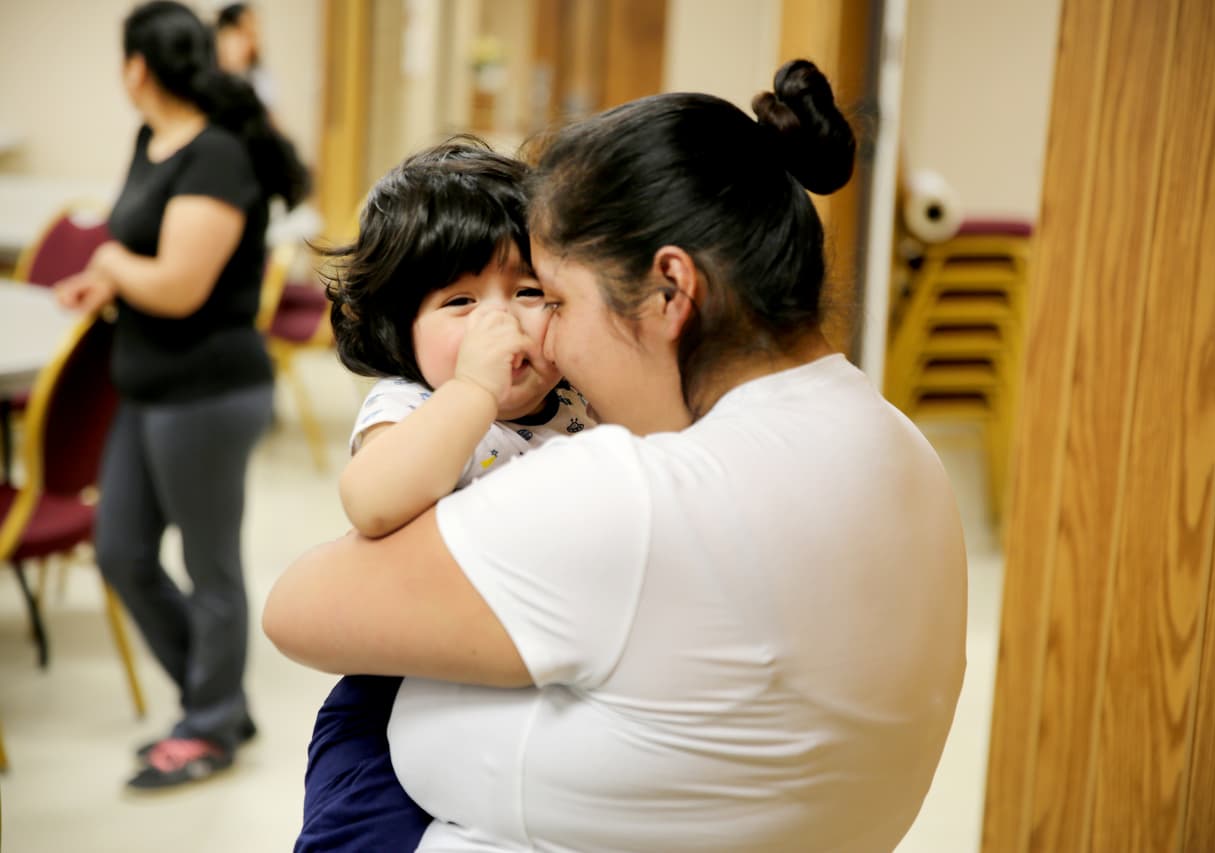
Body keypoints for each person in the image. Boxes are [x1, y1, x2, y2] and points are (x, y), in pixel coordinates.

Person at [265, 58, 967, 851]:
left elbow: (299, 608)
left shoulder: (639, 491)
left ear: (671, 290)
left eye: (550, 297)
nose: (538, 334)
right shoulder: (902, 447)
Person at [301, 140, 593, 850]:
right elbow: (371, 500)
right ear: (400, 329)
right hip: (399, 682)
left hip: (533, 678)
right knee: (360, 831)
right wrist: (471, 391)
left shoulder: (582, 397)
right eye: (460, 302)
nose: (501, 324)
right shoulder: (410, 405)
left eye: (527, 292)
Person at [55, 0, 309, 790]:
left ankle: (209, 723)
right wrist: (106, 275)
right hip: (145, 386)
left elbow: (174, 282)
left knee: (210, 565)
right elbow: (137, 250)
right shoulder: (151, 140)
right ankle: (218, 699)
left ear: (138, 68)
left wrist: (116, 267)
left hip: (207, 391)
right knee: (121, 551)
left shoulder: (219, 156)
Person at [214, 3, 275, 109]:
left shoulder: (259, 79)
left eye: (253, 36)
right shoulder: (207, 79)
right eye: (244, 35)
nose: (252, 44)